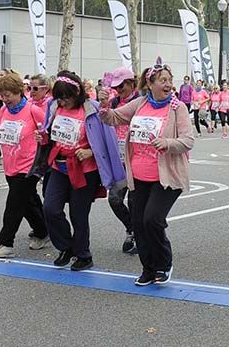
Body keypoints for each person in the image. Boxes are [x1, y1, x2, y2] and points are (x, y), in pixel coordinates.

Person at [99, 60, 192, 285]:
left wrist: (167, 143)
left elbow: (188, 140)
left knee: (152, 219)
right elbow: (112, 118)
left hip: (166, 176)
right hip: (138, 176)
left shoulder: (177, 107)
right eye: (163, 80)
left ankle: (163, 264)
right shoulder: (140, 104)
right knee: (138, 223)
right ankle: (148, 269)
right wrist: (103, 105)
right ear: (150, 84)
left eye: (170, 80)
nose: (168, 84)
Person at [37, 71, 125, 272]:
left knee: (78, 214)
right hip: (59, 166)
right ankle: (66, 247)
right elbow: (50, 133)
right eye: (59, 98)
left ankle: (83, 255)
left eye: (66, 98)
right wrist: (42, 138)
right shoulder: (54, 107)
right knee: (50, 209)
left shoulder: (92, 109)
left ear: (76, 93)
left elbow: (107, 140)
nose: (63, 102)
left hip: (85, 170)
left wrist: (90, 152)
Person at [0, 73, 50, 258]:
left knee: (14, 203)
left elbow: (48, 133)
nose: (5, 99)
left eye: (8, 95)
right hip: (10, 163)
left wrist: (42, 138)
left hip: (29, 165)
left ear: (19, 92)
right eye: (2, 95)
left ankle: (5, 242)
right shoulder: (4, 111)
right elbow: (0, 133)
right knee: (27, 202)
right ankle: (43, 231)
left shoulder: (33, 110)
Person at [104, 67, 140, 254]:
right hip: (118, 160)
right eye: (116, 87)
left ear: (132, 83)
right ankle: (131, 228)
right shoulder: (114, 102)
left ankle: (138, 236)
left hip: (137, 159)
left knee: (135, 203)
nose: (119, 90)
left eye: (122, 86)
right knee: (114, 200)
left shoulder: (141, 102)